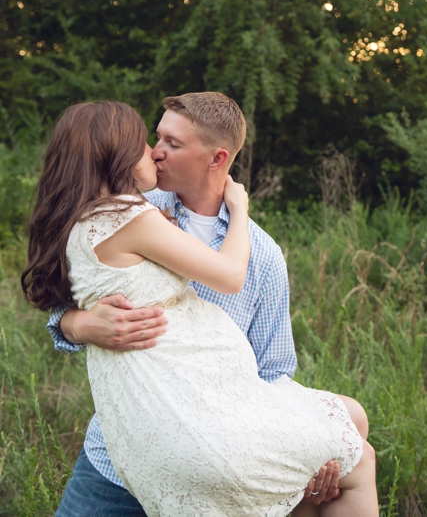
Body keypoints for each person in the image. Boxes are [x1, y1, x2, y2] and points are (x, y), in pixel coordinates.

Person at [25, 95, 377, 516]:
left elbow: (274, 369)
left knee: (349, 445)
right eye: (155, 138)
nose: (155, 151)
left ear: (217, 158)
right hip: (113, 462)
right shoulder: (132, 204)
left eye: (171, 143)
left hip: (217, 451)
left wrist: (304, 444)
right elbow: (66, 308)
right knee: (356, 434)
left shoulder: (261, 256)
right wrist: (79, 326)